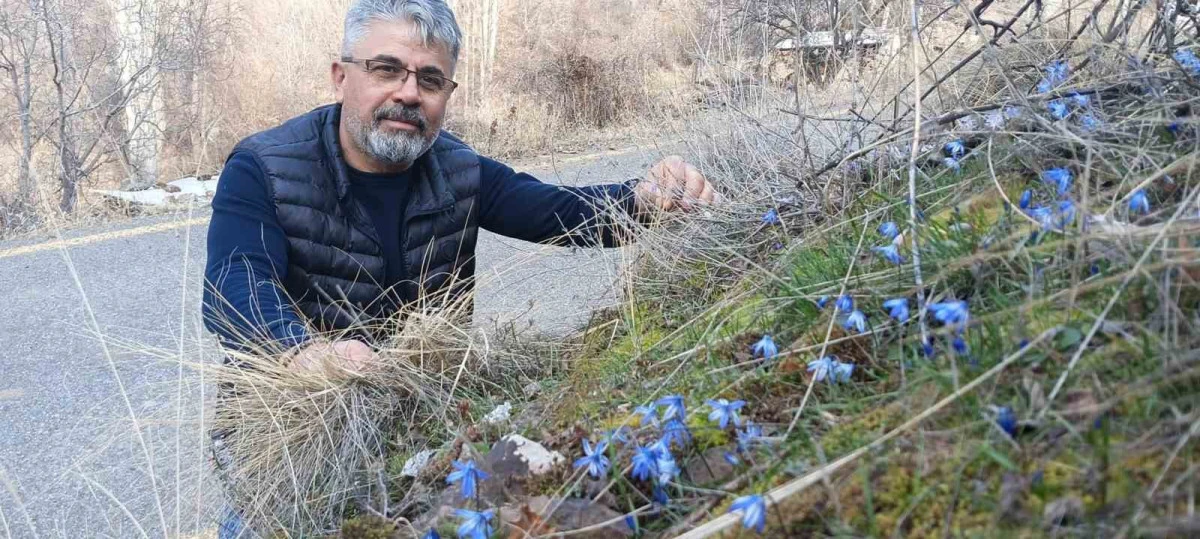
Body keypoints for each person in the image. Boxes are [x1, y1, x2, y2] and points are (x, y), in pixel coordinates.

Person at [201, 0, 714, 375]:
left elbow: (558, 212)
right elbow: (235, 284)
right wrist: (302, 354)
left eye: (430, 80)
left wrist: (646, 199)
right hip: (297, 431)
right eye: (386, 69)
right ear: (340, 77)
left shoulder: (458, 168)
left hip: (423, 414)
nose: (408, 93)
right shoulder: (262, 166)